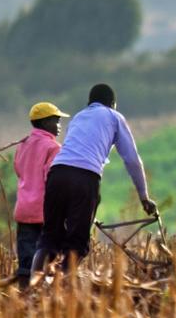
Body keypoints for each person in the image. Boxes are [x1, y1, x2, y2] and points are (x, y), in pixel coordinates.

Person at [31, 83, 157, 274]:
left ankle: (32, 287)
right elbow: (131, 160)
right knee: (77, 242)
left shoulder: (78, 117)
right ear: (112, 103)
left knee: (49, 237)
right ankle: (65, 285)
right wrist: (144, 197)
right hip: (84, 177)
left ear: (90, 102)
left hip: (57, 174)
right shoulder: (114, 116)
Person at [11, 101, 70, 286]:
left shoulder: (23, 144)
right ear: (45, 123)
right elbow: (52, 180)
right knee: (49, 259)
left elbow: (19, 170)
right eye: (57, 121)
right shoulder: (53, 148)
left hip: (23, 209)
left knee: (26, 260)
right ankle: (42, 299)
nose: (60, 126)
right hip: (45, 212)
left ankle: (23, 294)